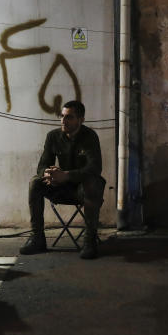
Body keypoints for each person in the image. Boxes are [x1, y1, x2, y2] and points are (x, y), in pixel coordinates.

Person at [23, 100, 106, 259]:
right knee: (35, 182)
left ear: (81, 119)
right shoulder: (53, 136)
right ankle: (37, 238)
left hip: (83, 190)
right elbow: (42, 165)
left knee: (92, 182)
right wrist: (48, 174)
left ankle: (90, 241)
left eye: (69, 117)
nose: (63, 121)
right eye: (62, 116)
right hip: (62, 188)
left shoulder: (89, 136)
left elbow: (95, 168)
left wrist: (67, 175)